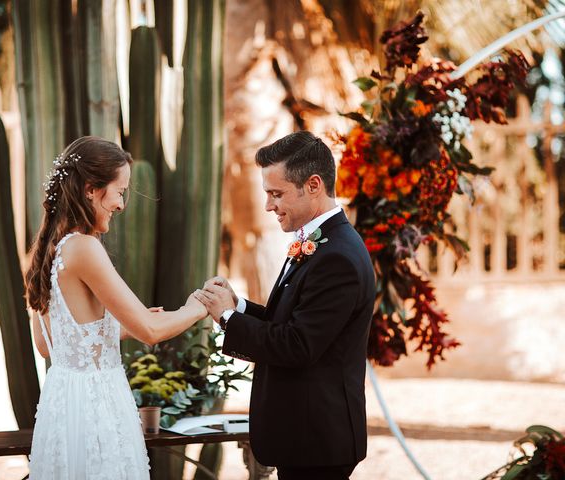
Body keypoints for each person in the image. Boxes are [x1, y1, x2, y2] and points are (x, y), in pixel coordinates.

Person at [195, 131, 376, 480]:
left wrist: (228, 317)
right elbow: (292, 321)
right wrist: (239, 307)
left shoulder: (337, 256)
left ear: (313, 185)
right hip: (305, 435)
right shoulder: (322, 243)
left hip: (318, 440)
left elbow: (298, 345)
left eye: (276, 194)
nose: (268, 206)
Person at [24, 136, 207, 479]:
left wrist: (112, 328)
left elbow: (49, 345)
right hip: (96, 407)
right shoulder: (84, 248)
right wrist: (198, 307)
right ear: (91, 189)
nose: (122, 204)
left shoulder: (47, 249)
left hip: (62, 406)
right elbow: (150, 331)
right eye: (119, 191)